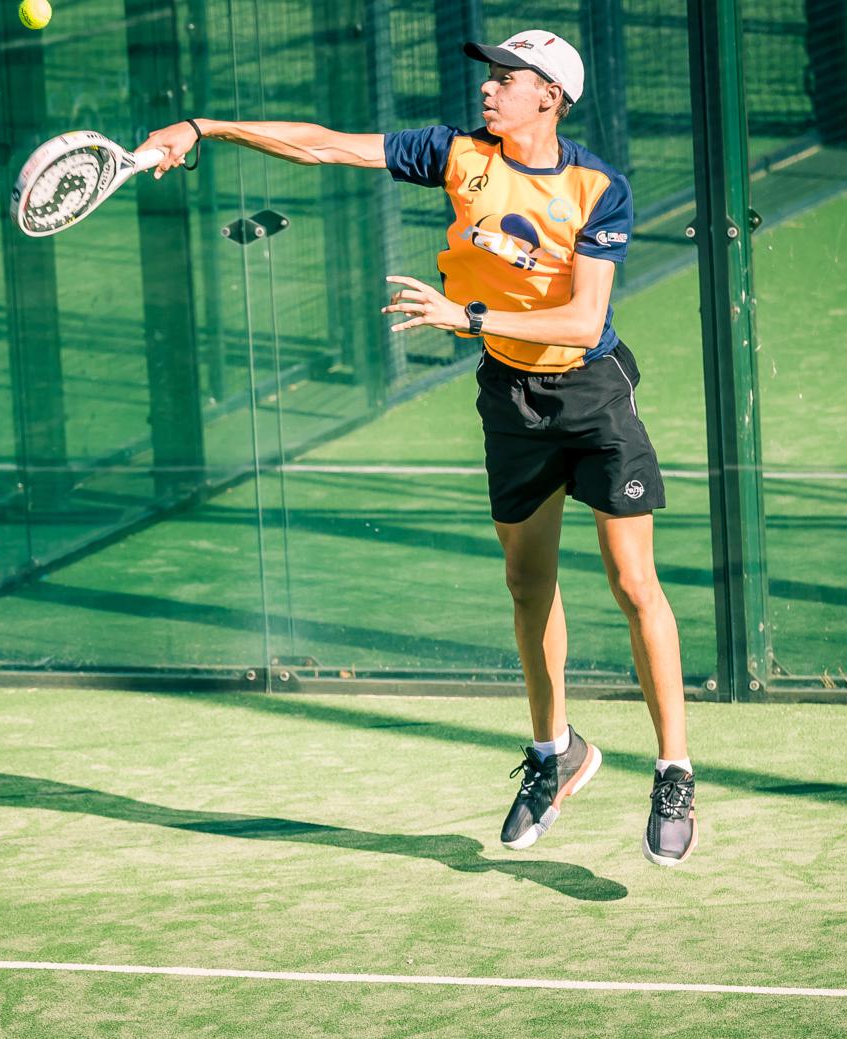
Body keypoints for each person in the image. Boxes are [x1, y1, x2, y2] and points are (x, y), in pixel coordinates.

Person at [137, 29, 697, 866]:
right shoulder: (457, 155)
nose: (489, 88)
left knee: (632, 581)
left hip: (591, 393)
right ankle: (556, 753)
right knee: (527, 583)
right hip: (510, 396)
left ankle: (674, 770)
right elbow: (326, 146)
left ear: (549, 96)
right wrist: (205, 127)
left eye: (506, 78)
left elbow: (585, 320)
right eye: (490, 76)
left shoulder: (597, 188)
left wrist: (465, 316)